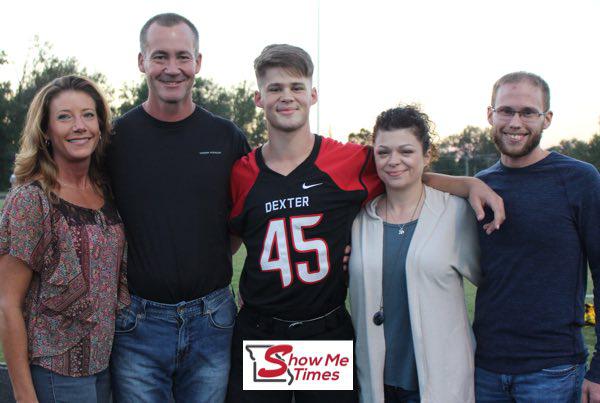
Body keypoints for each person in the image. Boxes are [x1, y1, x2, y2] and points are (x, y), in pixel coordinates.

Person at [227, 44, 502, 403]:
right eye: (274, 88)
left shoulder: (349, 160)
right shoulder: (242, 172)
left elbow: (406, 172)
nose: (286, 97)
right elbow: (228, 242)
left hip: (323, 329)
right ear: (258, 98)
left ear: (312, 95)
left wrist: (468, 184)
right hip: (262, 331)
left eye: (296, 87)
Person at [107, 13, 250, 403]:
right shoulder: (115, 139)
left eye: (183, 57)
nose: (172, 69)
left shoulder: (226, 137)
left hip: (213, 321)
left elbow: (247, 218)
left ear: (198, 63)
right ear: (141, 62)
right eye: (160, 56)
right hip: (137, 325)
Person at [472, 72, 600, 403]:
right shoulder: (479, 186)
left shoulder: (579, 179)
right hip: (484, 368)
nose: (515, 122)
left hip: (553, 371)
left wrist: (599, 370)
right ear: (490, 115)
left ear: (547, 119)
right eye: (506, 111)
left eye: (528, 112)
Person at [0, 75, 128, 403]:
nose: (79, 126)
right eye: (64, 117)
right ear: (46, 131)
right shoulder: (32, 199)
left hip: (106, 368)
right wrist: (24, 396)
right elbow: (7, 305)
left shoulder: (106, 191)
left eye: (88, 114)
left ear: (101, 125)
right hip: (56, 373)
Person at [348, 106, 481, 403]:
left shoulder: (456, 213)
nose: (394, 161)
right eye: (383, 153)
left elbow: (494, 285)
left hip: (439, 384)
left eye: (406, 151)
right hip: (376, 384)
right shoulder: (358, 219)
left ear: (427, 155)